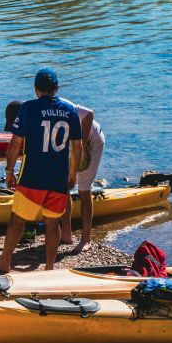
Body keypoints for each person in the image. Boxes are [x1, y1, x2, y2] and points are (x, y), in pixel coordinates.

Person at [0, 68, 82, 273]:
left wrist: (9, 170)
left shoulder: (28, 108)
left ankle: (5, 261)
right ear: (56, 88)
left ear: (36, 89)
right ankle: (49, 268)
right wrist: (72, 174)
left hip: (33, 176)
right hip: (58, 176)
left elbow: (15, 144)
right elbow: (77, 146)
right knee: (52, 223)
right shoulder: (70, 110)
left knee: (17, 220)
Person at [60, 104, 105, 253]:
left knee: (84, 191)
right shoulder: (38, 109)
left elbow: (89, 114)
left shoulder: (64, 105)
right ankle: (66, 233)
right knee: (62, 185)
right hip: (70, 143)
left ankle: (86, 240)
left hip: (90, 139)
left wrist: (83, 146)